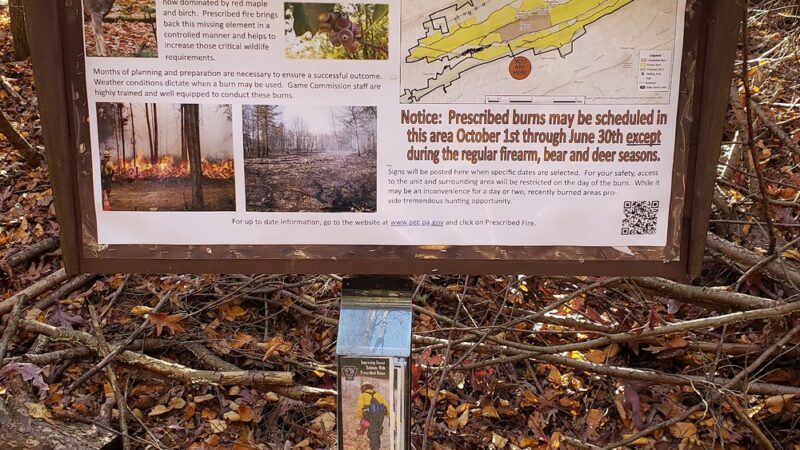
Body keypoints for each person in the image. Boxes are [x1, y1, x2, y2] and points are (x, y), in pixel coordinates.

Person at [355, 382, 390, 450]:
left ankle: (375, 448)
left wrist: (359, 418)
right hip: (380, 416)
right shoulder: (378, 395)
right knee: (377, 432)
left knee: (372, 433)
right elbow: (386, 405)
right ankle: (377, 446)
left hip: (370, 417)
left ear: (363, 388)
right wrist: (389, 415)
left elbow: (360, 408)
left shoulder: (363, 395)